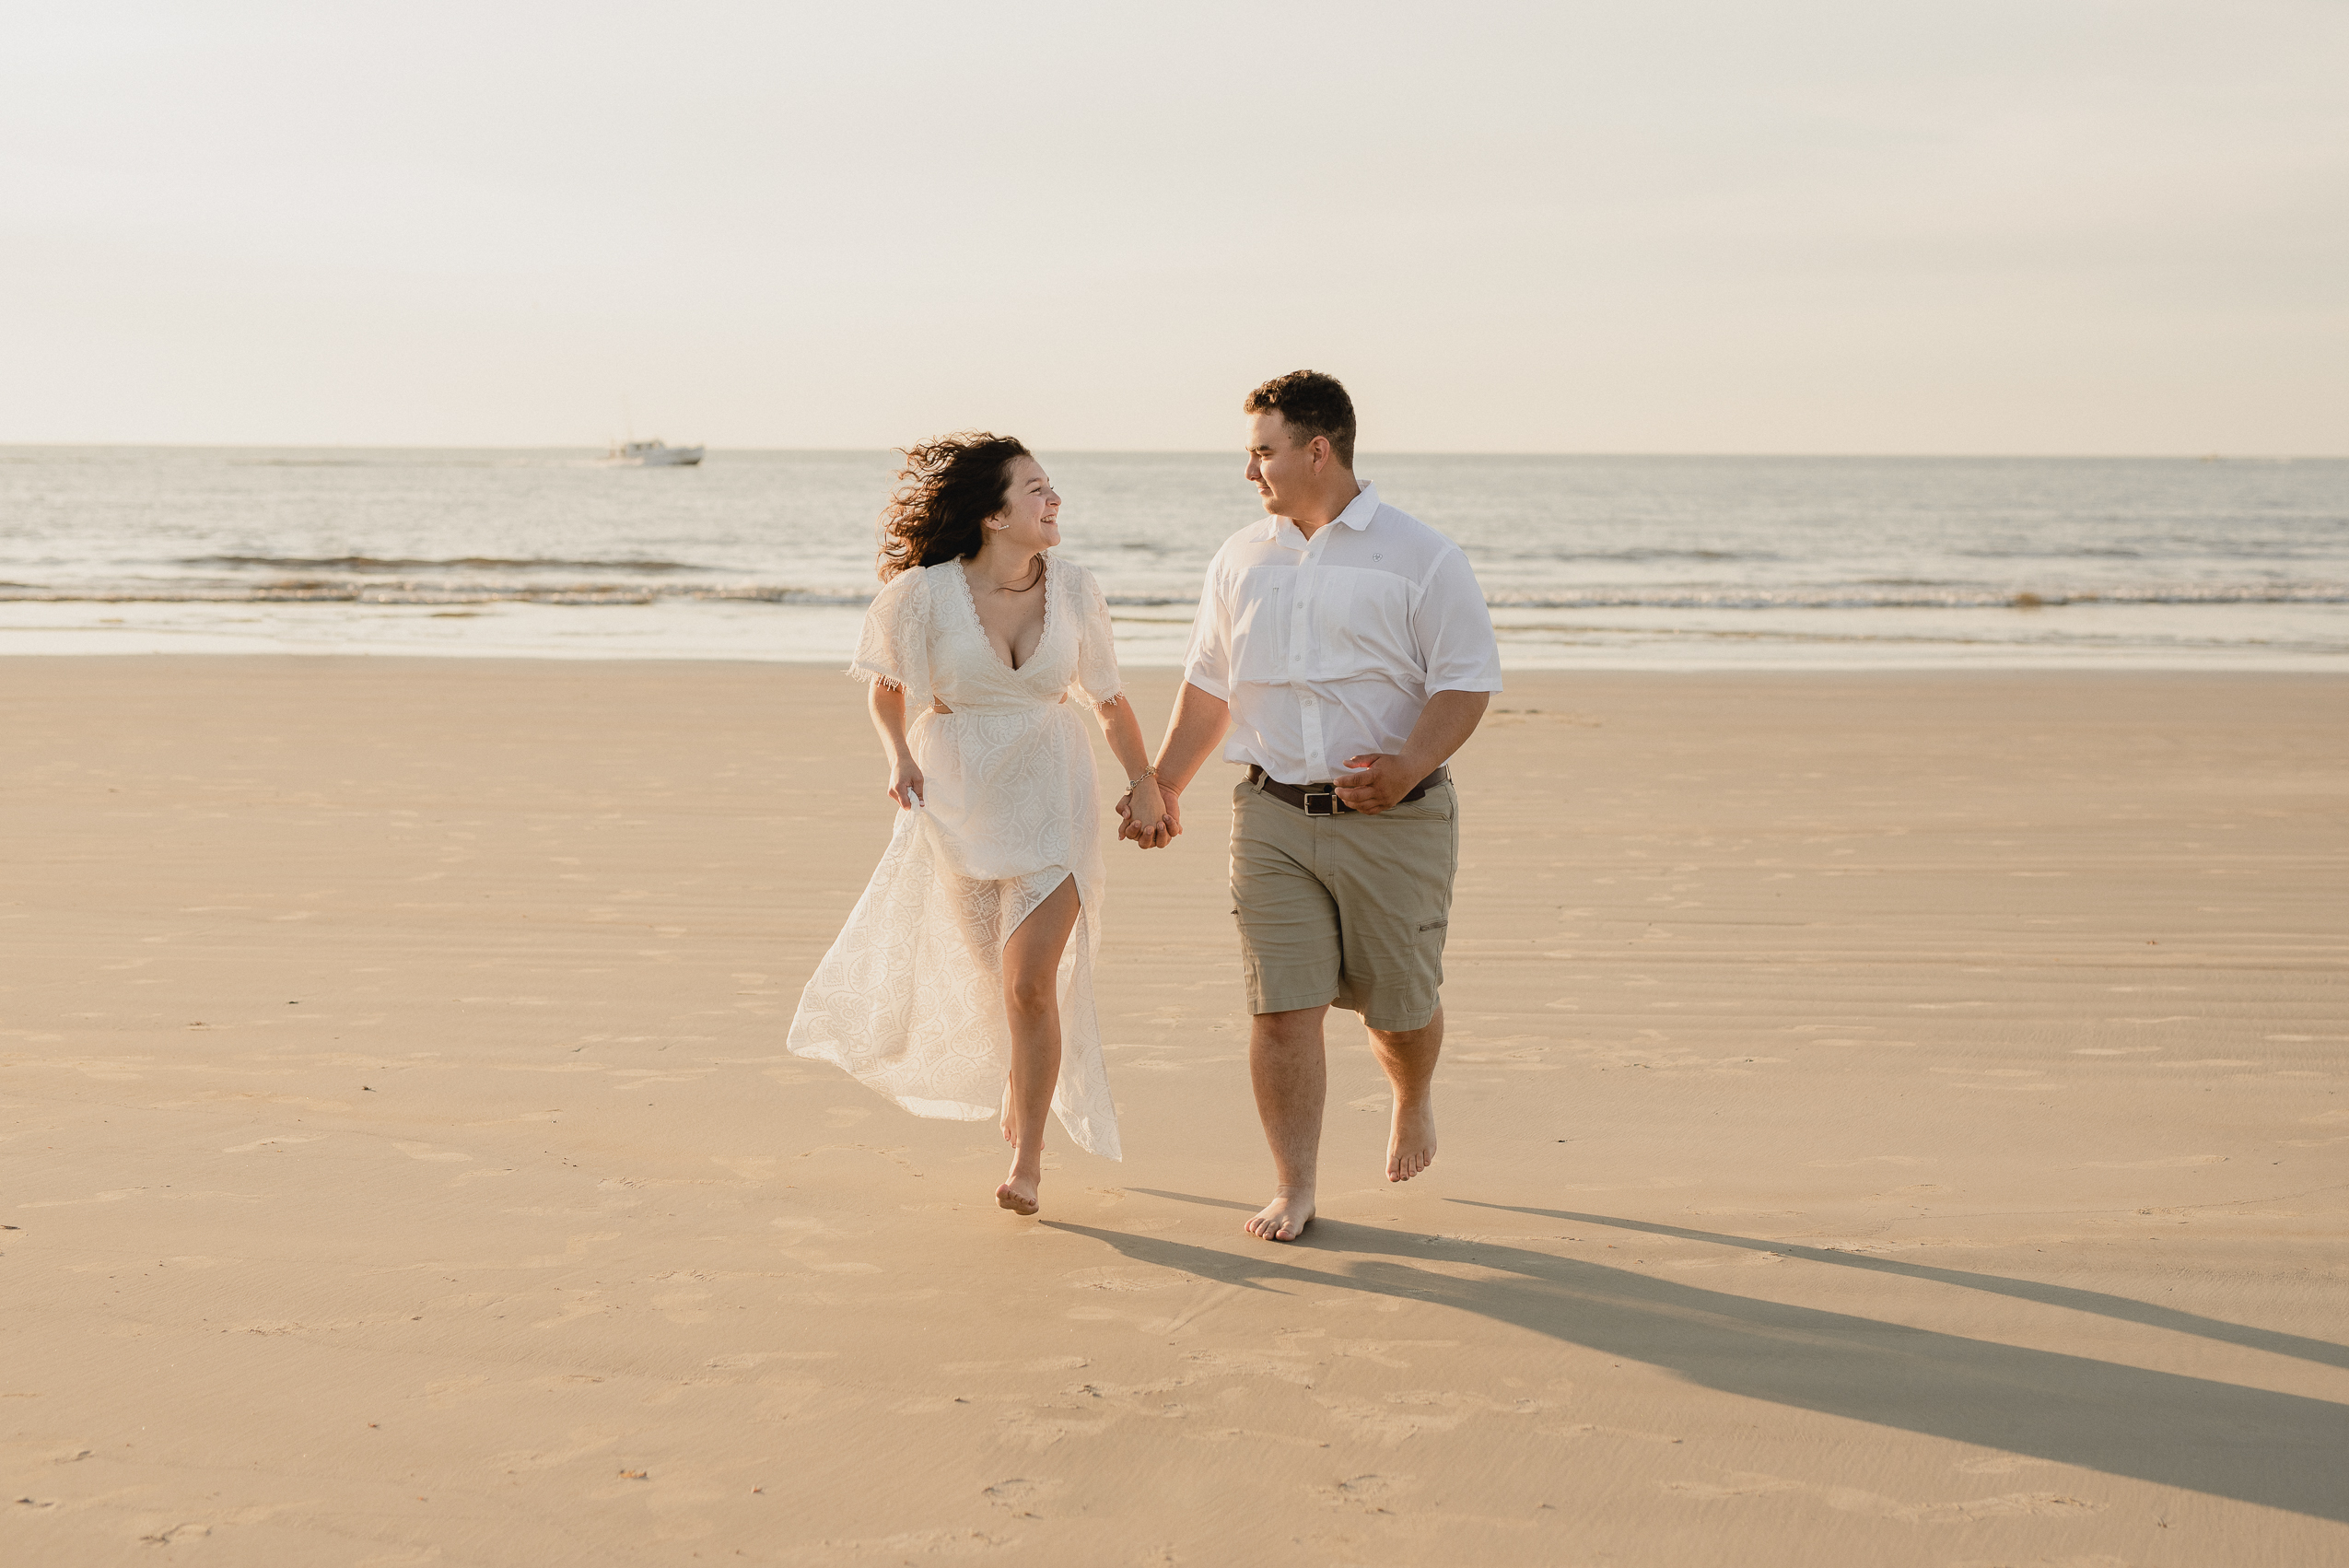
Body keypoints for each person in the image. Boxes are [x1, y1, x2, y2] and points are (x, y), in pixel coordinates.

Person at [1121, 371, 1502, 1243]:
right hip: (1270, 819)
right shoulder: (1239, 558)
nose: (1251, 470)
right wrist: (1164, 782)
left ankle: (1412, 1098)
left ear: (1317, 450)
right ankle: (1295, 1186)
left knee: (1398, 1006)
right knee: (1280, 1007)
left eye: (1264, 451)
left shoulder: (1421, 556)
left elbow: (1467, 681)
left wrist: (1408, 766)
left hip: (1394, 819)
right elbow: (1210, 690)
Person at [789, 434, 1166, 1215]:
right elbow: (889, 689)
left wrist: (1147, 783)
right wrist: (898, 755)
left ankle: (1027, 1162)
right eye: (1035, 489)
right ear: (994, 514)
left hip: (1054, 793)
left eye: (1051, 486)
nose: (1053, 500)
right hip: (961, 800)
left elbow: (1108, 699)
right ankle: (1019, 1079)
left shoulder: (1077, 588)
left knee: (1029, 982)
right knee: (993, 978)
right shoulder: (921, 596)